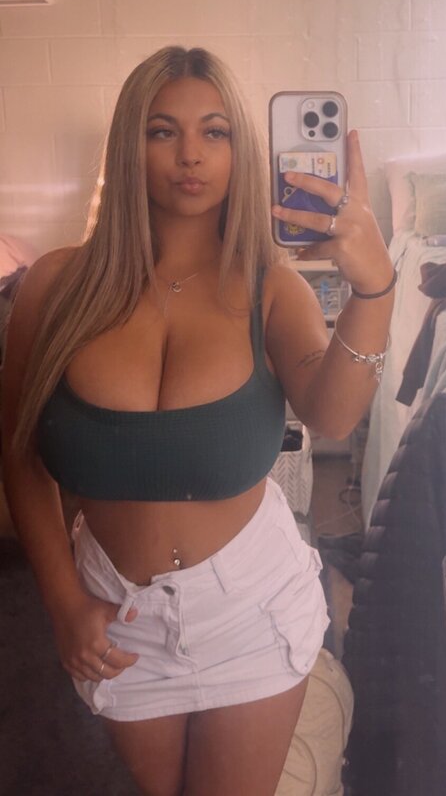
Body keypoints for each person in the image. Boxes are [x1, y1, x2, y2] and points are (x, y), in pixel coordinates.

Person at [1, 45, 396, 796]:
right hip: (117, 613)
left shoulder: (271, 287)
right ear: (130, 145)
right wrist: (61, 600)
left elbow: (335, 411)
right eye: (163, 131)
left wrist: (374, 288)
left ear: (240, 151)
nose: (191, 154)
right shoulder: (54, 286)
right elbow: (20, 455)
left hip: (250, 607)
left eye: (215, 132)